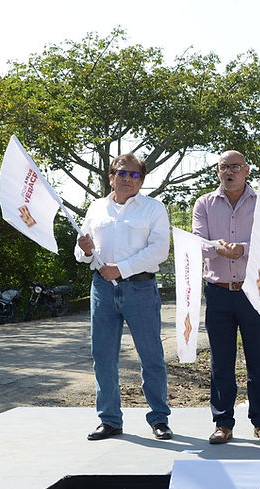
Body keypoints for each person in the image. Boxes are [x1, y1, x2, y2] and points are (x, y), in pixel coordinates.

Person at [75, 154, 172, 441]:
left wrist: (121, 268)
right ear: (111, 176)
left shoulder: (154, 209)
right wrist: (87, 250)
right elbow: (82, 253)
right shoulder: (96, 208)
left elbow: (159, 251)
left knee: (151, 355)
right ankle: (110, 419)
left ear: (142, 180)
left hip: (140, 289)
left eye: (135, 175)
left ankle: (159, 419)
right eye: (122, 173)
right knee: (103, 356)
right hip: (102, 290)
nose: (128, 179)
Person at [192, 150, 260, 445]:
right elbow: (198, 242)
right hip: (217, 293)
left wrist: (241, 248)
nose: (230, 172)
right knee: (221, 362)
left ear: (247, 170)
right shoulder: (204, 203)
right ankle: (223, 423)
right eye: (224, 167)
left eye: (235, 167)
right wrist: (218, 247)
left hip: (253, 292)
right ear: (217, 171)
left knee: (258, 360)